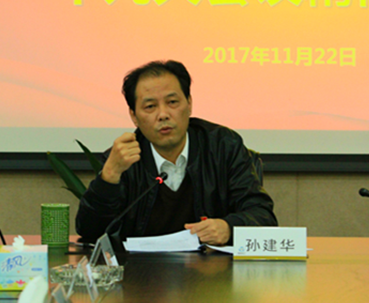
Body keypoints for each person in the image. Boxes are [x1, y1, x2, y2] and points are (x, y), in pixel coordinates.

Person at [76, 60, 277, 245]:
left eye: (172, 102)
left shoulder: (223, 146)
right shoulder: (123, 160)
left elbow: (262, 216)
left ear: (189, 104)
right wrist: (109, 176)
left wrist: (228, 228)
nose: (163, 114)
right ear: (134, 116)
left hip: (213, 268)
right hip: (141, 270)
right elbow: (90, 232)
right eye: (150, 106)